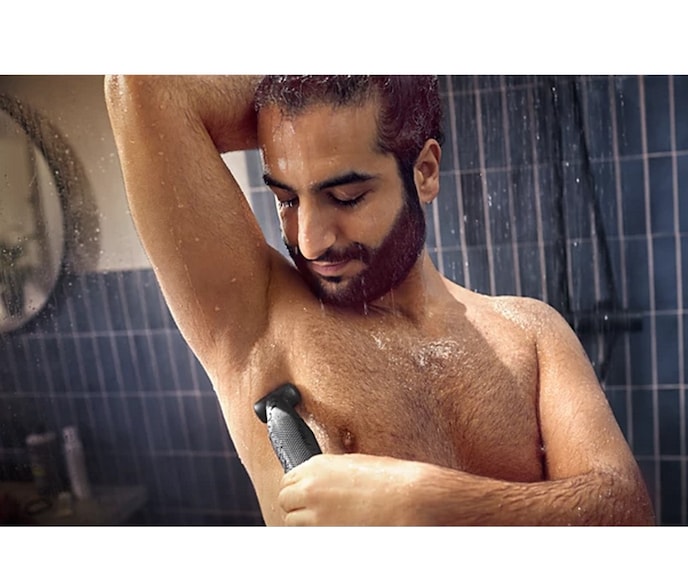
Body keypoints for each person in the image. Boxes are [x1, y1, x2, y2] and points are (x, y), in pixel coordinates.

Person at [104, 75, 654, 526]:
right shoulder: (258, 317)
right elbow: (147, 85)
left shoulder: (532, 333)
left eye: (346, 196)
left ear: (425, 172)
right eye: (286, 200)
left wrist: (425, 502)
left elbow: (627, 513)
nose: (310, 241)